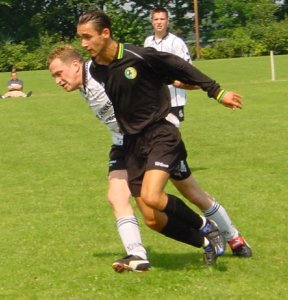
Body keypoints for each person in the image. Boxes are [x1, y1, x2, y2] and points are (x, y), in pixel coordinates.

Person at [76, 10, 252, 266]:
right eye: (80, 38)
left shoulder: (139, 56)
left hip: (161, 134)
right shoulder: (97, 71)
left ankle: (213, 230)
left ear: (105, 33)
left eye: (87, 37)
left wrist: (216, 91)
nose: (83, 44)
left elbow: (179, 66)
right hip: (133, 145)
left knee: (156, 196)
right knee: (151, 216)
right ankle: (206, 239)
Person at [47, 45, 230, 272]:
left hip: (154, 137)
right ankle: (141, 254)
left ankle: (229, 236)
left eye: (58, 74)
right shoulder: (82, 84)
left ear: (75, 65)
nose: (57, 81)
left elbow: (149, 74)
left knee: (189, 193)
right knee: (131, 206)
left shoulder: (100, 72)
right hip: (124, 143)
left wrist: (194, 85)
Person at [144, 7, 194, 124]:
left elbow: (188, 68)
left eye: (162, 19)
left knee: (171, 133)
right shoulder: (148, 42)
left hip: (174, 98)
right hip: (154, 98)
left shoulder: (176, 42)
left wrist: (183, 83)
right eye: (156, 19)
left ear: (168, 21)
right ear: (152, 21)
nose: (159, 22)